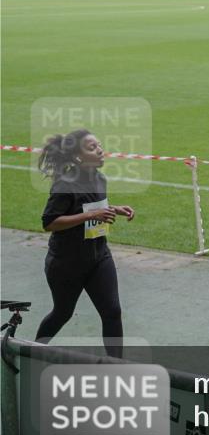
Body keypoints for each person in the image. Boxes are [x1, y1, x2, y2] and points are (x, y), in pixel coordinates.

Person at [35, 130, 134, 357]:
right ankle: (31, 350)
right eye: (91, 147)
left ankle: (115, 367)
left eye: (99, 144)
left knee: (112, 312)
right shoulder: (64, 184)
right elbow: (50, 222)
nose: (100, 150)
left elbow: (93, 206)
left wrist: (114, 209)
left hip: (99, 257)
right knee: (62, 313)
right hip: (66, 263)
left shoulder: (99, 178)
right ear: (78, 157)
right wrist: (91, 216)